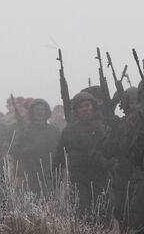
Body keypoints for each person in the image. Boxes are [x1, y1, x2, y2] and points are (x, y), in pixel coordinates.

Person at [55, 90, 111, 220]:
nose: (85, 109)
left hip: (101, 176)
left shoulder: (103, 127)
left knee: (103, 212)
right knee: (82, 213)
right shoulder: (69, 130)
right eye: (81, 107)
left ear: (93, 106)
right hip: (79, 178)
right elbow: (60, 154)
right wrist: (58, 176)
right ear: (76, 111)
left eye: (87, 105)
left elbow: (112, 151)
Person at [10, 98, 62, 195]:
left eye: (43, 109)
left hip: (49, 174)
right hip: (30, 174)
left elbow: (59, 152)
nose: (40, 112)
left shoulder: (54, 130)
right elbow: (15, 152)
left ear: (47, 112)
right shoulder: (24, 130)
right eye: (37, 109)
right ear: (32, 112)